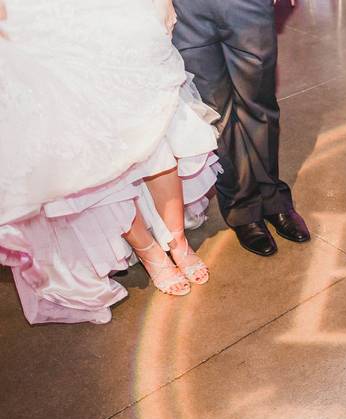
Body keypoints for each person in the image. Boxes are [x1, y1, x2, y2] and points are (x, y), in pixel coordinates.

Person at [0, 0, 220, 324]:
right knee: (92, 151)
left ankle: (179, 243)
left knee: (155, 124)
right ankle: (152, 254)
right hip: (40, 24)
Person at [172, 0, 310, 257]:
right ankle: (242, 207)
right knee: (216, 116)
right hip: (184, 11)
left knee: (259, 104)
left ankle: (272, 199)